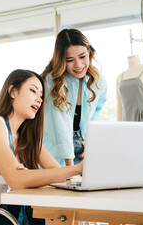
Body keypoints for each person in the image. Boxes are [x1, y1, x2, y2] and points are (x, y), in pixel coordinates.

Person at [0, 69, 83, 225]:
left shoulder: (26, 136)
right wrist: (77, 169)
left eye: (41, 95)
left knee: (54, 216)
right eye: (33, 91)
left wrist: (30, 177)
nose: (39, 99)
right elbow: (17, 180)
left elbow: (55, 169)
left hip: (6, 211)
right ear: (13, 92)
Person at [41, 28, 107, 166]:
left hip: (82, 147)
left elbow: (96, 113)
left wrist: (90, 142)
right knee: (61, 185)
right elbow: (60, 123)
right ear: (61, 60)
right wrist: (69, 165)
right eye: (70, 60)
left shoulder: (98, 81)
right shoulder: (52, 81)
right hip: (56, 148)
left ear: (89, 52)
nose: (78, 65)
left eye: (82, 56)